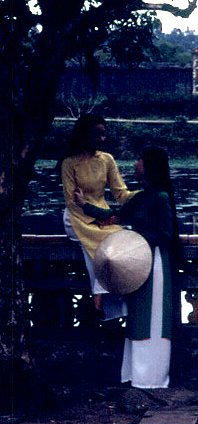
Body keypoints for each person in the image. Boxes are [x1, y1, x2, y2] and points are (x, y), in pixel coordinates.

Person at [75, 145, 179, 388]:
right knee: (138, 316)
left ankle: (153, 378)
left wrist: (136, 239)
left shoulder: (161, 198)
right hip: (139, 260)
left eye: (139, 160)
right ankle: (136, 375)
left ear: (149, 166)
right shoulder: (141, 197)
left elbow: (166, 234)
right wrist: (84, 205)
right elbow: (114, 217)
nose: (135, 165)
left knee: (153, 317)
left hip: (155, 263)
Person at [59, 114, 136, 319]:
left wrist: (144, 196)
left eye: (103, 135)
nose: (101, 139)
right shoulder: (69, 163)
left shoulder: (106, 159)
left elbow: (121, 194)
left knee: (121, 239)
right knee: (105, 243)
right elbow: (71, 201)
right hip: (77, 218)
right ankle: (99, 296)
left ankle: (102, 294)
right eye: (96, 135)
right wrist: (95, 219)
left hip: (102, 216)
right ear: (84, 135)